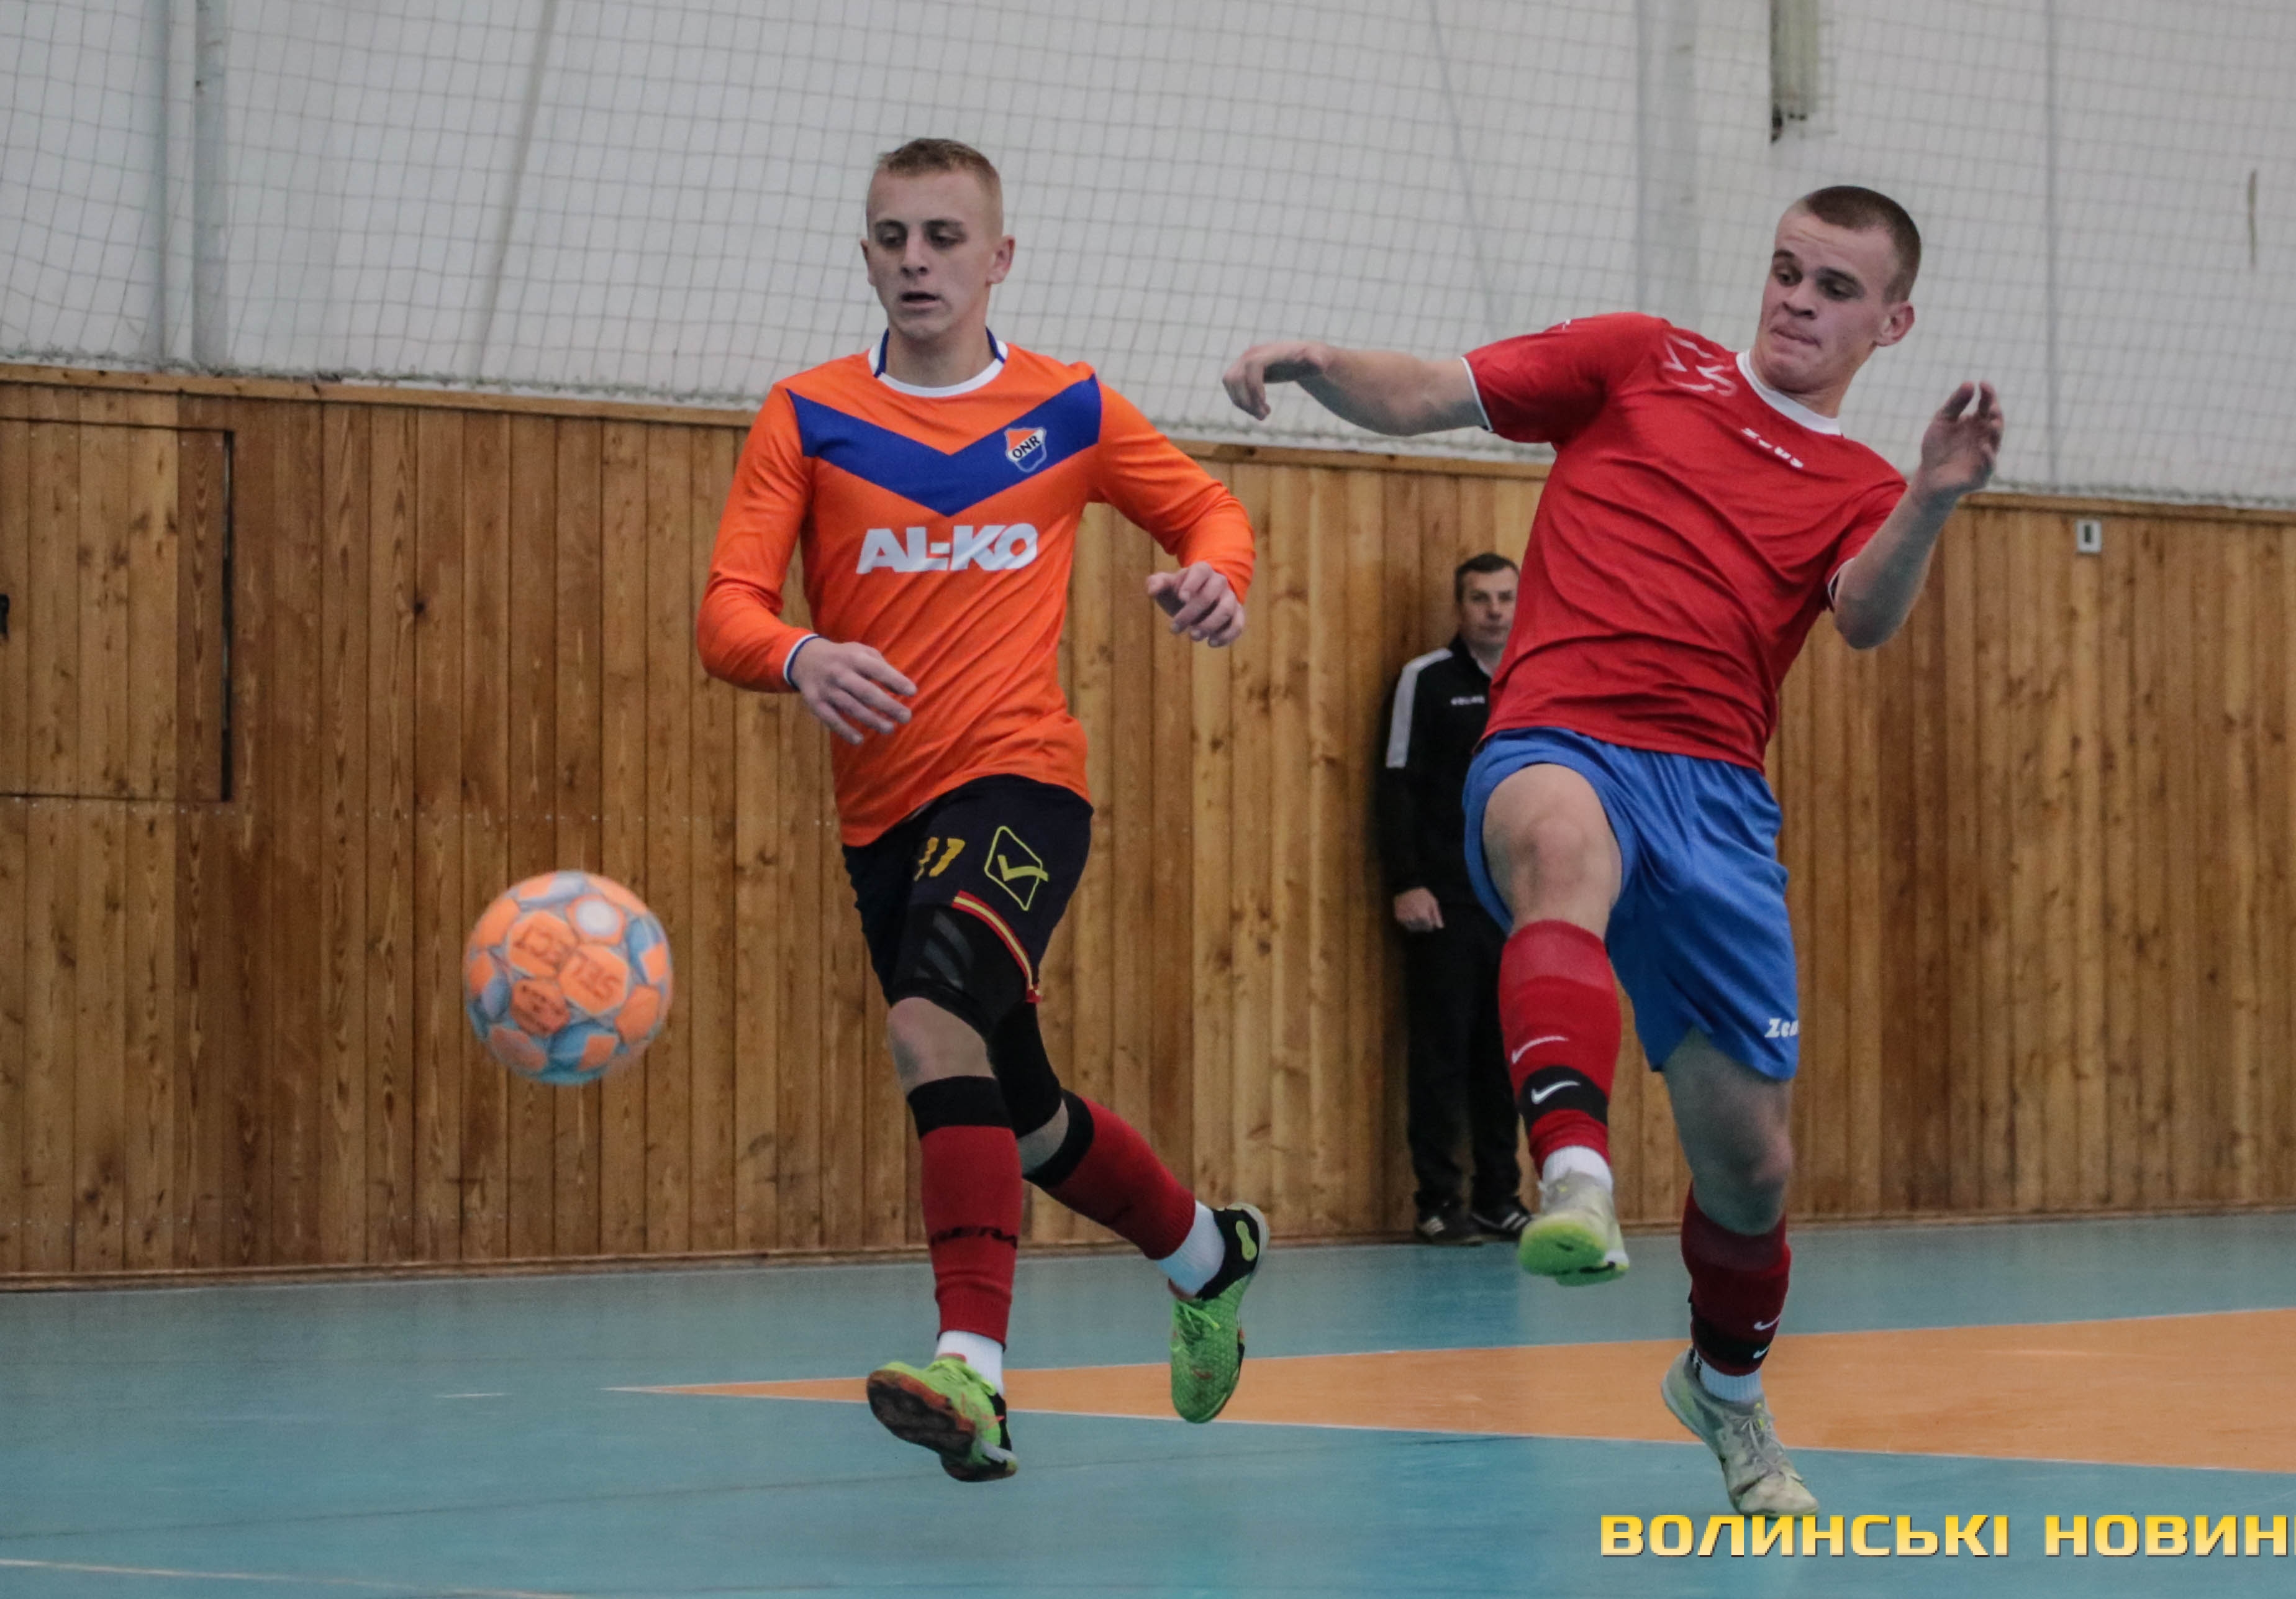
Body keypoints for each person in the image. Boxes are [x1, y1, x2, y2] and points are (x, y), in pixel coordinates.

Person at [1222, 186, 2002, 1513]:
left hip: (1714, 803)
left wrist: (1928, 498)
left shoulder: (1860, 485)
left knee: (1750, 1168)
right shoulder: (1640, 360)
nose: (1796, 299)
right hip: (1559, 733)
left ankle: (1725, 1388)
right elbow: (1432, 393)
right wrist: (1314, 361)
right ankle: (1572, 1169)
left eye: (1833, 288)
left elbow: (1866, 619)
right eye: (1786, 269)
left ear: (1891, 322)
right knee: (1554, 850)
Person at [699, 138, 1266, 1484]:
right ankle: (1207, 1253)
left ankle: (974, 1371)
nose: (917, 262)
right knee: (1022, 1114)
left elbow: (1210, 514)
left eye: (944, 237)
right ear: (864, 254)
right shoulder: (807, 414)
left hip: (1021, 780)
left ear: (998, 257)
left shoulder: (1067, 407)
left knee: (927, 1019)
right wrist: (798, 653)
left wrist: (1216, 578)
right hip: (881, 821)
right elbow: (727, 610)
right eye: (892, 236)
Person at [1380, 553, 1530, 1245]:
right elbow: (1396, 784)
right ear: (1459, 606)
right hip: (1444, 901)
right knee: (1441, 1055)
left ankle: (1501, 1197)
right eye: (1480, 598)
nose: (1495, 611)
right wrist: (1406, 881)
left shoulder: (1538, 678)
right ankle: (1439, 1201)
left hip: (1517, 902)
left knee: (1506, 1056)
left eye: (1505, 597)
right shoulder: (1426, 680)